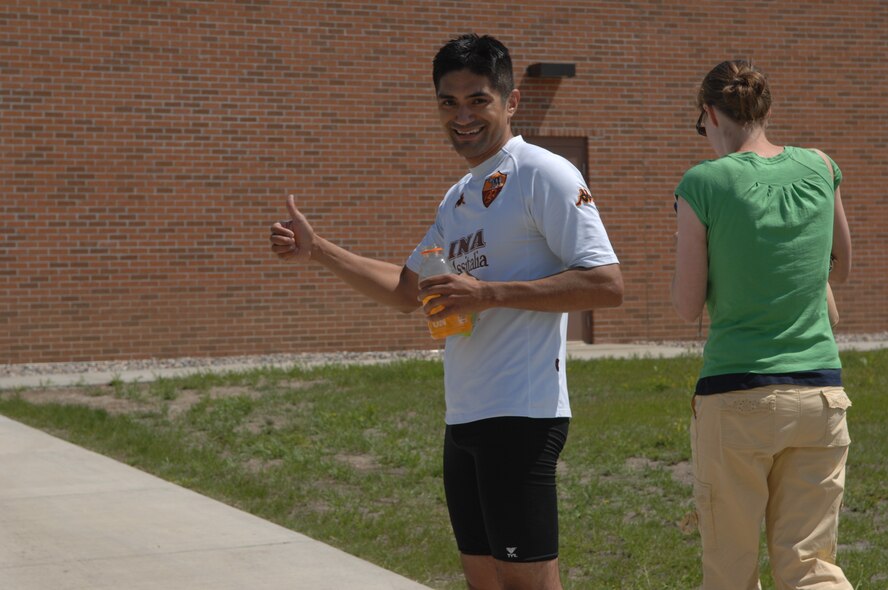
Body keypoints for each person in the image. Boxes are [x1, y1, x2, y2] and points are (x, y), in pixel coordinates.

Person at [270, 33, 622, 590]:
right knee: (483, 579)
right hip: (464, 416)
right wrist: (319, 252)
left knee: (527, 582)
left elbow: (606, 284)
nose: (462, 116)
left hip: (522, 413)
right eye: (448, 102)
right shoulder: (457, 197)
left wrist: (490, 294)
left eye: (477, 100)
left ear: (511, 102)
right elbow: (408, 291)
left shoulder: (543, 173)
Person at [671, 60, 853, 590]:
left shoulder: (702, 183)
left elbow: (686, 306)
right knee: (812, 568)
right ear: (764, 109)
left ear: (709, 115)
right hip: (820, 396)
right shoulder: (821, 166)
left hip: (737, 397)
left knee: (730, 570)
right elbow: (841, 265)